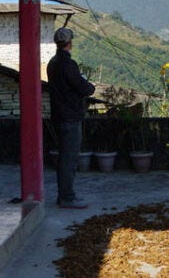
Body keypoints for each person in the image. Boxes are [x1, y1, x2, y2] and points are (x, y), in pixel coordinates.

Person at [46, 26, 95, 209]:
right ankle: (67, 196)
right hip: (70, 116)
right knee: (69, 158)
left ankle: (65, 195)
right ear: (69, 43)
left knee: (64, 157)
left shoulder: (53, 63)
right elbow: (83, 88)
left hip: (58, 114)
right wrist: (90, 87)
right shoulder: (68, 65)